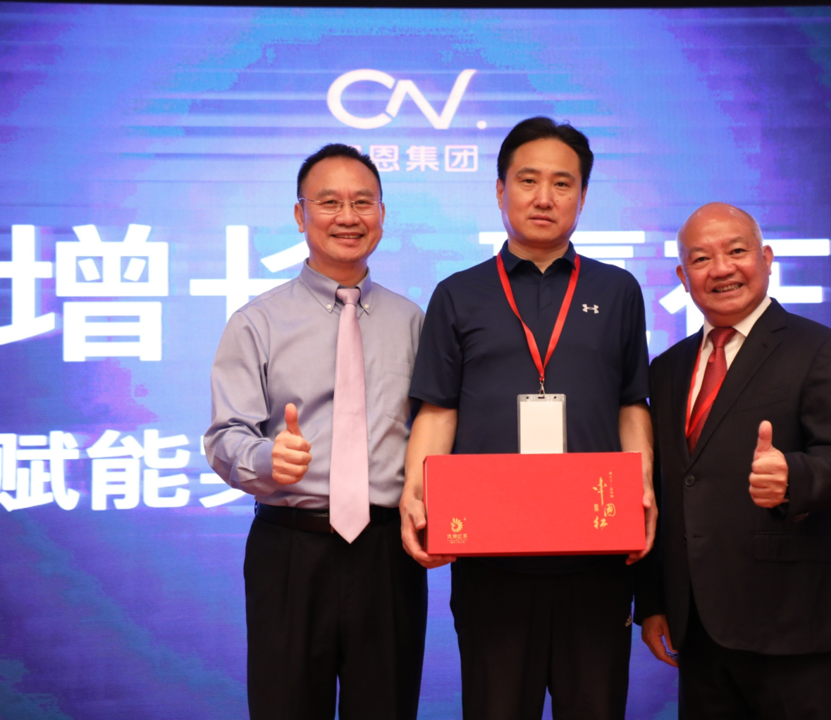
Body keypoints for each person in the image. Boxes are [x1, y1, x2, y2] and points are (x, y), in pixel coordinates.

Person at [400, 116, 657, 720]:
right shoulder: (458, 294)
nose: (545, 198)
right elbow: (438, 410)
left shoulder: (617, 291)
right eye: (528, 180)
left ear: (583, 196)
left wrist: (643, 488)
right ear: (500, 189)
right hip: (492, 556)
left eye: (562, 183)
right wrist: (416, 492)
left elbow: (631, 404)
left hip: (596, 552)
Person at [204, 144, 426, 720]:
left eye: (362, 202)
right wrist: (266, 457)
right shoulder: (256, 321)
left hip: (387, 553)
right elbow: (224, 435)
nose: (347, 217)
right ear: (301, 215)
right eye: (329, 202)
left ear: (382, 214)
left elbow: (434, 432)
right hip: (290, 549)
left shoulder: (413, 321)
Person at [637, 202, 831, 718]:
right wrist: (652, 601)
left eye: (736, 251)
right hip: (697, 625)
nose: (721, 269)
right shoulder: (667, 368)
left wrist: (792, 477)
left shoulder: (819, 349)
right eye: (701, 259)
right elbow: (666, 488)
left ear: (766, 258)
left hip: (792, 619)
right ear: (683, 277)